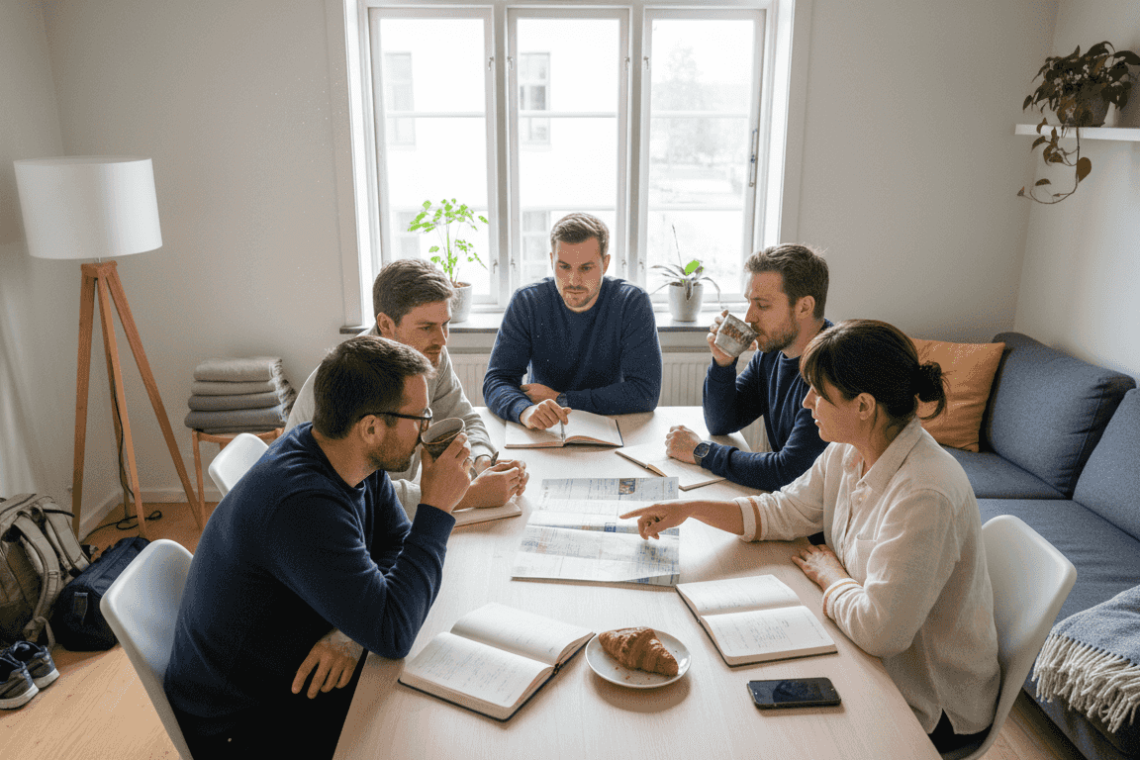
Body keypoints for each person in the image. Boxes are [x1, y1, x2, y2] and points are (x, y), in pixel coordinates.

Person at [623, 320, 1000, 754]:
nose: (807, 402)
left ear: (863, 405)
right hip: (873, 659)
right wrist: (688, 509)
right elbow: (783, 511)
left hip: (928, 705)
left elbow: (881, 633)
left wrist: (830, 574)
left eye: (819, 393)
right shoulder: (848, 448)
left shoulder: (924, 493)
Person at [165, 336, 473, 759]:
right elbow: (394, 632)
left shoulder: (354, 460)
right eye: (419, 416)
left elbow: (396, 543)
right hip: (246, 726)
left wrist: (351, 632)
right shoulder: (301, 504)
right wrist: (437, 507)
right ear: (370, 427)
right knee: (431, 722)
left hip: (290, 672)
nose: (425, 428)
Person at [287, 259, 528, 516]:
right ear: (387, 325)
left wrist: (482, 462)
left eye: (445, 324)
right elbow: (357, 496)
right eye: (426, 327)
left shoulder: (429, 353)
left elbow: (463, 417)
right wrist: (472, 494)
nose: (441, 340)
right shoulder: (350, 382)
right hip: (313, 516)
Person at [665, 244, 830, 491]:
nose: (750, 317)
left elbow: (787, 471)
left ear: (804, 307)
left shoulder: (832, 367)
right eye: (749, 303)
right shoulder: (772, 352)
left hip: (819, 521)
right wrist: (723, 362)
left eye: (762, 306)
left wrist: (701, 451)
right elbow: (723, 422)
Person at [482, 212, 662, 431]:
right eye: (564, 267)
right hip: (544, 428)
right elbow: (497, 379)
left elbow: (645, 392)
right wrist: (525, 410)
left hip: (609, 427)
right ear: (551, 261)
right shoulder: (527, 301)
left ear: (605, 264)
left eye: (586, 268)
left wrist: (563, 399)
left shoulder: (631, 302)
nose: (573, 281)